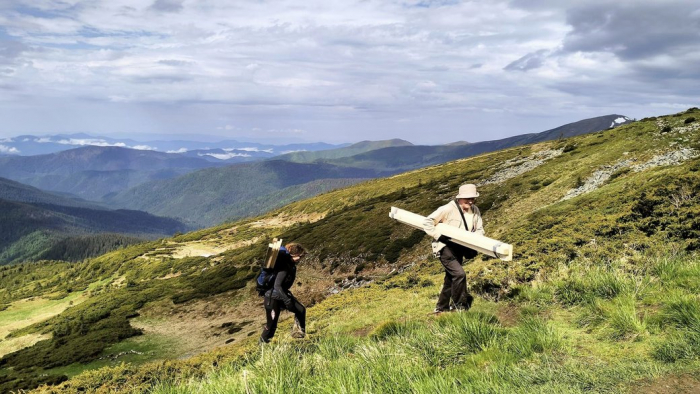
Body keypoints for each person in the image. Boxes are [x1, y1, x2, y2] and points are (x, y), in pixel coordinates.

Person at [422, 184, 484, 313]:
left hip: (460, 248)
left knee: (451, 278)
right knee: (459, 274)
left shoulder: (475, 210)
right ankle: (458, 307)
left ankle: (441, 308)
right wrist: (438, 236)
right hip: (445, 247)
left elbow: (479, 229)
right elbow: (427, 222)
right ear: (460, 198)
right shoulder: (447, 209)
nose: (471, 201)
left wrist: (475, 243)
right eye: (467, 199)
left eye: (473, 198)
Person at [260, 243, 307, 343]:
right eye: (299, 256)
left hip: (280, 295)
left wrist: (286, 299)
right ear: (293, 254)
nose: (300, 258)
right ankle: (262, 347)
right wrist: (287, 300)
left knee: (301, 310)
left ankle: (298, 335)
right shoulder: (284, 266)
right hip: (272, 298)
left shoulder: (290, 264)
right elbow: (277, 286)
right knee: (271, 326)